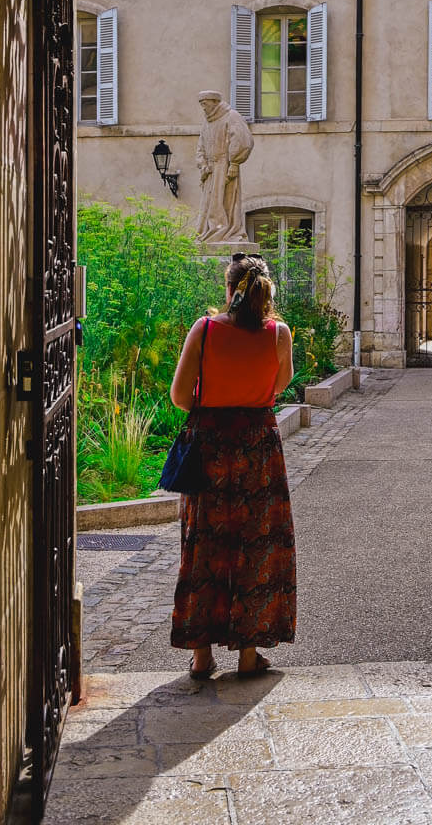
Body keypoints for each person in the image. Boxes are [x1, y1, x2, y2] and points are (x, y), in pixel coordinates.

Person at [169, 252, 296, 677]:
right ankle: (247, 655)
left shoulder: (204, 330)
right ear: (266, 292)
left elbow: (180, 397)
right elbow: (278, 385)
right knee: (258, 545)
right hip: (258, 446)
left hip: (210, 445)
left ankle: (202, 656)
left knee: (205, 545)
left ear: (228, 290)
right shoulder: (279, 334)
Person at [195, 90, 254, 242]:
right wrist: (203, 164)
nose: (203, 108)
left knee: (225, 201)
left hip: (224, 165)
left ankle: (227, 232)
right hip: (210, 169)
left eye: (205, 104)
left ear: (215, 102)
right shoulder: (207, 122)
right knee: (208, 204)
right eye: (201, 104)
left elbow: (243, 140)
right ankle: (210, 232)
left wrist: (234, 162)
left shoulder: (231, 116)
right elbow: (200, 146)